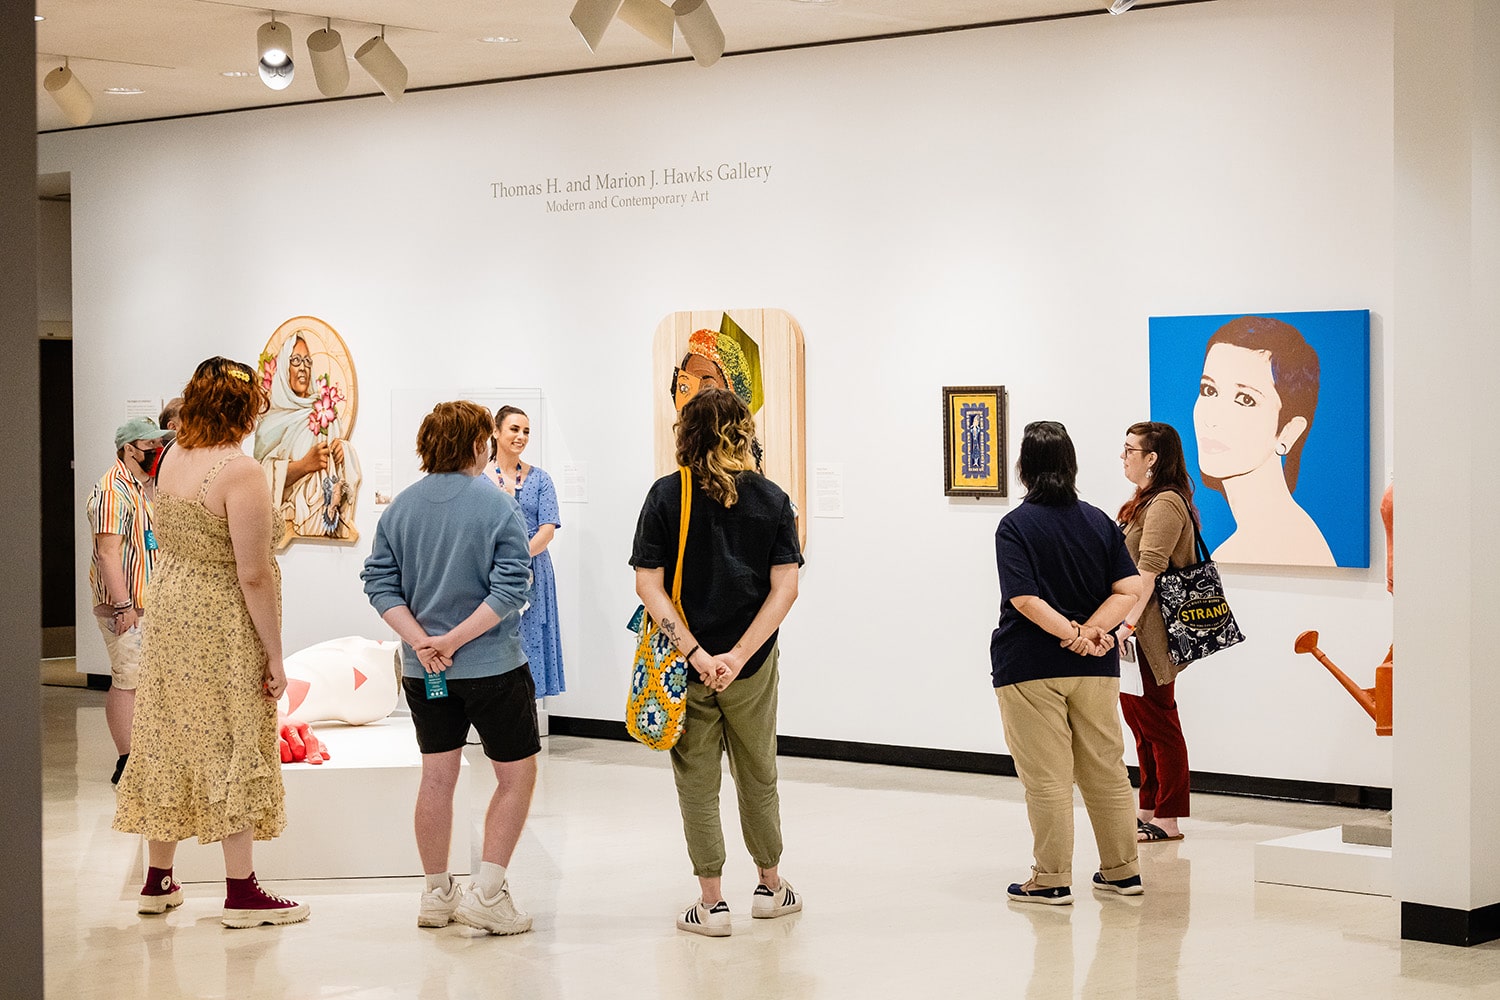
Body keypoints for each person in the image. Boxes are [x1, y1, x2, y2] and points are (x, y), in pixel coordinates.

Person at [112, 357, 308, 928]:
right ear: (243, 408)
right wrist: (274, 654)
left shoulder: (170, 456)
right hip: (220, 622)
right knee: (233, 735)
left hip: (172, 611)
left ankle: (159, 879)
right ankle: (242, 890)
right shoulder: (238, 471)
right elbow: (252, 574)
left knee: (168, 732)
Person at [630, 387, 803, 937]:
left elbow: (648, 587)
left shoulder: (665, 496)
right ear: (742, 433)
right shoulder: (773, 499)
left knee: (697, 781)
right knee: (759, 772)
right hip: (750, 667)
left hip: (688, 668)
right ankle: (772, 886)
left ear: (688, 435)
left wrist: (699, 656)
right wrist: (738, 655)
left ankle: (712, 903)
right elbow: (786, 587)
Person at [361, 401, 537, 936]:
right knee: (516, 776)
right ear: (478, 443)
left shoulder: (399, 510)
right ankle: (487, 892)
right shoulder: (498, 505)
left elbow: (378, 583)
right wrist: (454, 640)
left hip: (424, 672)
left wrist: (423, 643)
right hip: (493, 668)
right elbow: (511, 586)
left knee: (437, 777)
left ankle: (437, 893)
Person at [991, 420, 1143, 905]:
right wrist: (1094, 634)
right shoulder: (1098, 521)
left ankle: (1052, 878)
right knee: (1107, 771)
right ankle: (1123, 873)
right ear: (1071, 464)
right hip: (1096, 667)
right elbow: (1130, 588)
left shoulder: (1015, 525)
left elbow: (1024, 600)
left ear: (1024, 468)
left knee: (1048, 779)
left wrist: (1075, 633)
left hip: (1030, 667)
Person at [1113, 422, 1199, 843]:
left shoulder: (1165, 503)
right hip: (1135, 631)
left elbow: (1148, 572)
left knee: (1159, 722)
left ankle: (1168, 816)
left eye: (1131, 450)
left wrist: (1126, 624)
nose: (1124, 457)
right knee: (1141, 722)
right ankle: (1148, 807)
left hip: (1150, 633)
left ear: (1153, 459)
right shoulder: (1144, 503)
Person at [1193, 315, 1333, 566]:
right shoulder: (1281, 531)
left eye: (1245, 399)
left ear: (1288, 432)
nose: (1212, 419)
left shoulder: (1260, 547)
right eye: (1209, 390)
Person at [86, 416, 171, 785]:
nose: (155, 449)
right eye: (149, 444)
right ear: (128, 448)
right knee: (127, 680)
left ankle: (144, 755)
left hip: (145, 604)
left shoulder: (143, 487)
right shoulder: (112, 490)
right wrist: (124, 607)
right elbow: (108, 553)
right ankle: (126, 760)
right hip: (126, 608)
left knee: (141, 679)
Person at [484, 405, 566, 697]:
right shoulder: (480, 481)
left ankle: (528, 710)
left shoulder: (540, 479)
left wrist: (519, 557)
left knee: (532, 636)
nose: (521, 437)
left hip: (534, 569)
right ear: (496, 431)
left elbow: (547, 530)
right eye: (514, 429)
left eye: (526, 431)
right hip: (491, 570)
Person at [253, 334, 361, 542]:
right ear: (284, 369)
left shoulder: (323, 410)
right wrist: (304, 465)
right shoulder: (269, 423)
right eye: (295, 360)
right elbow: (260, 475)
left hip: (317, 511)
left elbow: (336, 465)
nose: (303, 367)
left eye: (307, 361)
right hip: (285, 518)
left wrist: (342, 449)